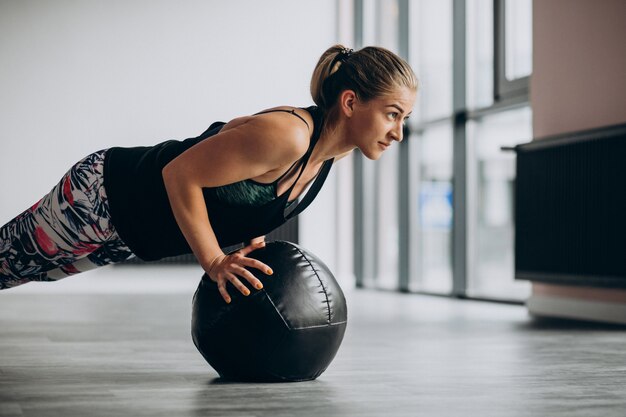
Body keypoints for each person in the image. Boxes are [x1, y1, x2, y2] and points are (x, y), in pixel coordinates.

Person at [0, 44, 418, 303]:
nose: (398, 132)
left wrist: (254, 240)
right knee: (6, 263)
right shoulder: (290, 135)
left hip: (133, 235)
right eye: (392, 115)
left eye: (404, 118)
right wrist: (215, 261)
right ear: (350, 102)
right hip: (106, 195)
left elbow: (244, 173)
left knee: (20, 273)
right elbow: (180, 173)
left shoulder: (326, 158)